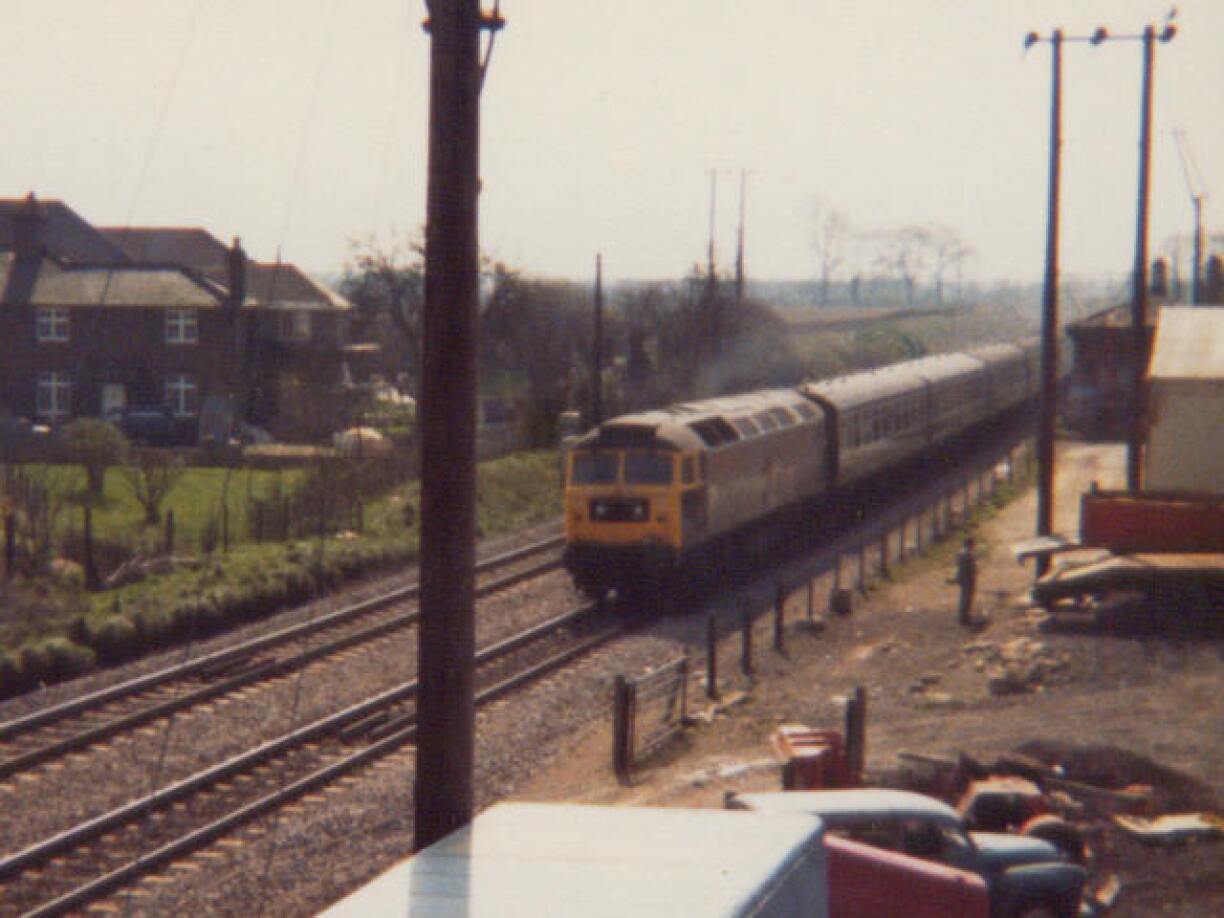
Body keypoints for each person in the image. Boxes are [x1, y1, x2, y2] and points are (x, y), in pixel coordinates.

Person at [952, 537, 978, 627]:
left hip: (965, 579)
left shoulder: (963, 554)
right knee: (966, 599)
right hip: (967, 579)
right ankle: (964, 618)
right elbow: (966, 569)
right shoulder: (966, 555)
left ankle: (964, 617)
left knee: (966, 598)